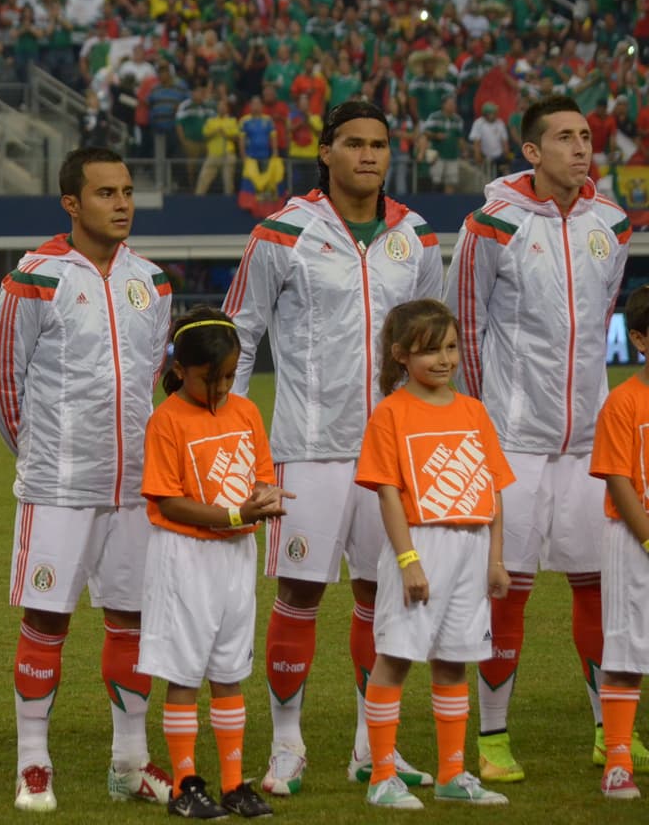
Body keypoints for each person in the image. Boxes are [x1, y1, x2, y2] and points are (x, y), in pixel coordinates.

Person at [222, 100, 444, 797]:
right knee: (299, 591)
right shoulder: (281, 234)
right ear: (326, 152)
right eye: (354, 144)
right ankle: (286, 744)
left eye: (379, 144)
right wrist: (237, 434)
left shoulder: (416, 237)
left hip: (393, 451)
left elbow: (431, 338)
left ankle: (368, 745)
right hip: (306, 446)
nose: (369, 156)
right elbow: (240, 333)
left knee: (385, 595)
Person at [443, 93, 633, 782]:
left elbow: (599, 320)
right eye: (564, 138)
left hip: (588, 441)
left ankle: (609, 731)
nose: (581, 148)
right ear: (530, 152)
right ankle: (492, 739)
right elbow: (464, 323)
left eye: (586, 136)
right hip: (512, 439)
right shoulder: (490, 224)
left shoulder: (612, 222)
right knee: (506, 588)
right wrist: (480, 421)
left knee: (600, 587)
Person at [0, 146, 174, 812]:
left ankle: (130, 761)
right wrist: (36, 453)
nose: (121, 204)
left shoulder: (152, 281)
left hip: (134, 485)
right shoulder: (33, 279)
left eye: (127, 191)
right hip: (58, 485)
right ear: (71, 202)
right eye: (106, 193)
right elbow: (1, 379)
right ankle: (33, 763)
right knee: (45, 618)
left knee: (132, 619)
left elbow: (150, 380)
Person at [355, 298, 513, 810]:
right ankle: (381, 775)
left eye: (450, 347)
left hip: (470, 551)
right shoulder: (391, 413)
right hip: (421, 547)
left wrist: (495, 558)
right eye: (430, 351)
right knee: (396, 657)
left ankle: (451, 774)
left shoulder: (474, 410)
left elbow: (492, 493)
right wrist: (407, 561)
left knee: (453, 661)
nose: (444, 360)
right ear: (401, 355)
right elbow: (388, 494)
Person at [139, 307, 290, 819]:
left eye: (230, 374)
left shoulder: (245, 411)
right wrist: (235, 512)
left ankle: (233, 784)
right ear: (181, 369)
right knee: (184, 672)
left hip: (235, 555)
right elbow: (165, 502)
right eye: (212, 378)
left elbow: (261, 475)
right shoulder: (166, 421)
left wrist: (266, 500)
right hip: (185, 557)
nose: (224, 386)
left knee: (230, 670)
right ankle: (185, 786)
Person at [590, 284, 649, 800]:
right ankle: (618, 761)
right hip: (632, 541)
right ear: (639, 339)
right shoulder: (623, 402)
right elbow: (617, 478)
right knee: (627, 650)